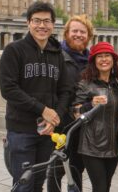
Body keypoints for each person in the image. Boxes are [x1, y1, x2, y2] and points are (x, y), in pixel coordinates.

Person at [0, 1, 72, 191]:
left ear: (53, 24)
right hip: (21, 129)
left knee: (38, 184)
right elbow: (8, 89)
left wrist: (55, 116)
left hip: (47, 132)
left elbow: (65, 90)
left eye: (46, 21)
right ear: (28, 23)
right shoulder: (14, 51)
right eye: (37, 21)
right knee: (23, 184)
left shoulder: (58, 55)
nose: (42, 26)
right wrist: (43, 110)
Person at [73, 42, 118, 192]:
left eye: (107, 56)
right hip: (92, 146)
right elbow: (75, 112)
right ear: (94, 61)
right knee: (100, 188)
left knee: (106, 187)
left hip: (112, 146)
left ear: (113, 60)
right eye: (100, 56)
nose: (104, 60)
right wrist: (90, 104)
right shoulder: (86, 84)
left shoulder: (116, 83)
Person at [47, 15, 93, 192]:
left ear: (88, 36)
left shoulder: (91, 61)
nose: (78, 35)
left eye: (83, 32)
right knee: (57, 169)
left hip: (81, 124)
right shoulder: (56, 56)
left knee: (77, 169)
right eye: (74, 31)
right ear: (66, 33)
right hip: (61, 122)